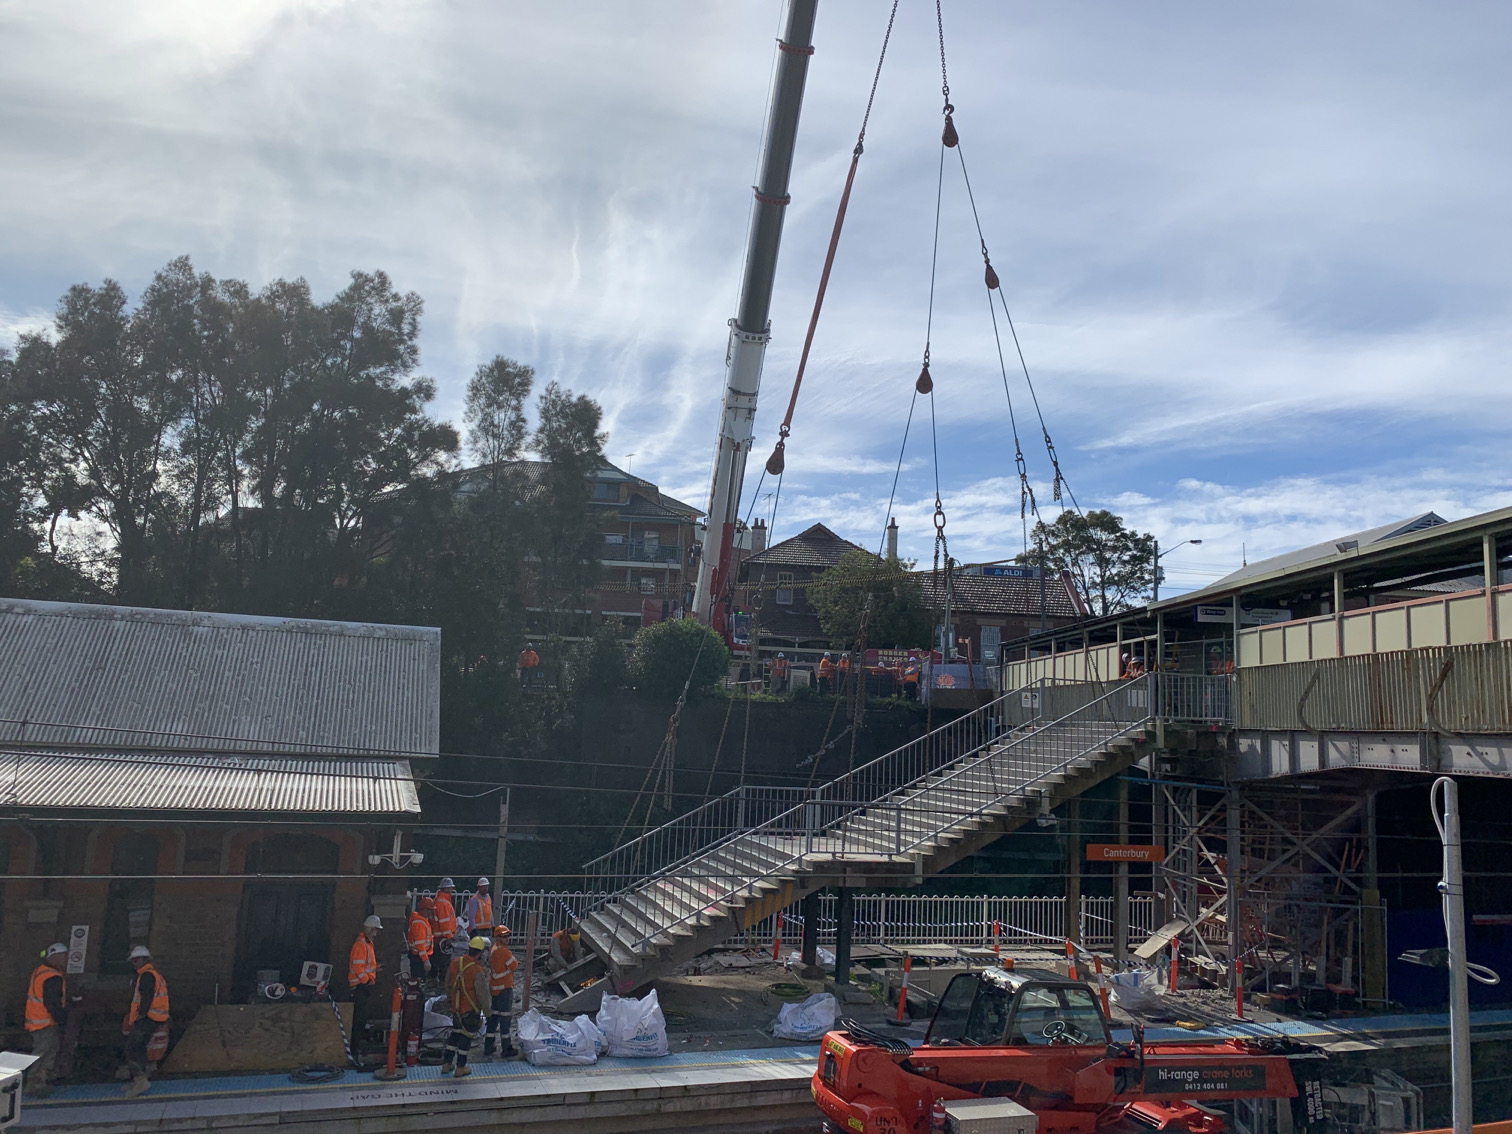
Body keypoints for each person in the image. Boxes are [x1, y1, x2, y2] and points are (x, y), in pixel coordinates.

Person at [120, 946, 169, 1098]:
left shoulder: (147, 976)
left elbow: (146, 997)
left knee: (132, 1049)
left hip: (147, 1018)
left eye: (136, 960)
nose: (134, 963)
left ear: (144, 960)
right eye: (133, 961)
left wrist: (140, 1015)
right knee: (140, 1048)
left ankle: (140, 1080)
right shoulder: (152, 975)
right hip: (153, 1018)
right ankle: (140, 1079)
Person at [24, 943, 69, 1098]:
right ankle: (34, 1083)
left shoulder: (40, 971)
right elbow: (53, 1002)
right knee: (44, 1053)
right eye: (63, 956)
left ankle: (39, 1082)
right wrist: (62, 1020)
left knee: (45, 1051)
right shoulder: (52, 977)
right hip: (44, 1022)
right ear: (54, 957)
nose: (66, 959)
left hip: (37, 1020)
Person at [441, 936, 490, 1078]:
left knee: (455, 1034)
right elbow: (483, 995)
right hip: (470, 1010)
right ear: (481, 952)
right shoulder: (477, 970)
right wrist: (488, 1013)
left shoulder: (456, 963)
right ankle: (460, 1067)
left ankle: (447, 1063)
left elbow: (447, 984)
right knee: (466, 1037)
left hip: (455, 1009)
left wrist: (451, 1001)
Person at [348, 915, 383, 1056]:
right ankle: (355, 1046)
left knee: (361, 1016)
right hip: (360, 987)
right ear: (370, 929)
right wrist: (366, 981)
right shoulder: (362, 944)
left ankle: (357, 1044)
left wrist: (374, 970)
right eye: (375, 929)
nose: (377, 932)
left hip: (362, 985)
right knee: (359, 1017)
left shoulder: (366, 943)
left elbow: (364, 965)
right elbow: (358, 967)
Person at [483, 925, 518, 1058]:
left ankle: (488, 1045)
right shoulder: (503, 951)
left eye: (507, 936)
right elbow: (514, 966)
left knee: (494, 1018)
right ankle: (506, 1048)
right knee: (505, 1019)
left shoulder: (494, 949)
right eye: (503, 936)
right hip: (504, 989)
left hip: (496, 989)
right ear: (497, 937)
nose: (507, 938)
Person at [431, 879, 458, 975]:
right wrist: (449, 937)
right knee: (444, 963)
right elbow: (444, 923)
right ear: (446, 888)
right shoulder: (443, 903)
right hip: (443, 938)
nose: (452, 890)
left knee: (437, 961)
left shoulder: (440, 900)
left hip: (439, 937)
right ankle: (442, 982)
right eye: (450, 888)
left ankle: (435, 980)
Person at [408, 899, 435, 981]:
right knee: (418, 981)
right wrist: (425, 960)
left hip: (418, 956)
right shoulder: (419, 923)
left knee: (418, 981)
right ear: (424, 909)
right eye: (430, 910)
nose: (431, 913)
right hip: (418, 957)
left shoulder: (420, 920)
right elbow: (420, 944)